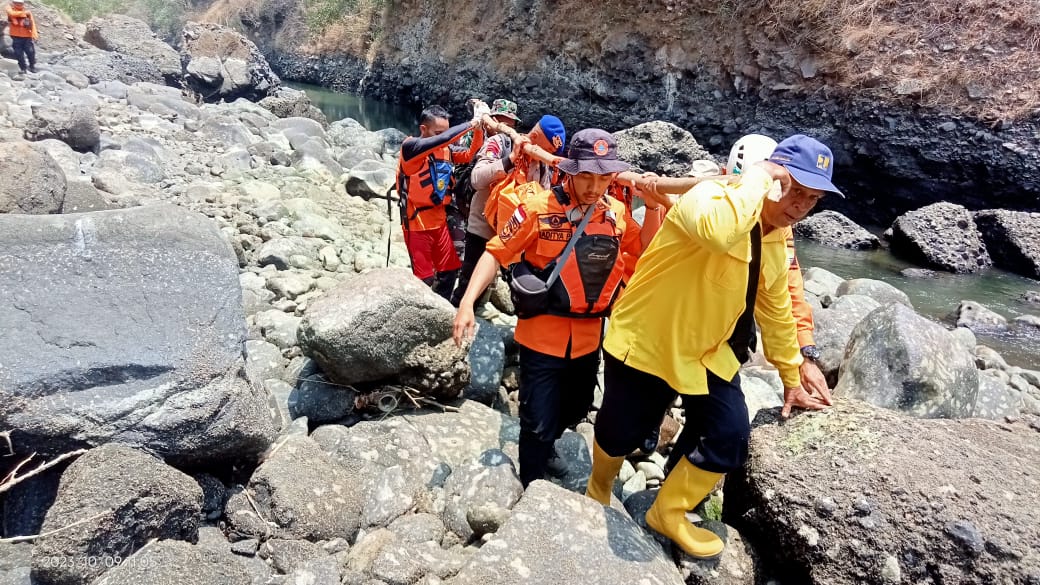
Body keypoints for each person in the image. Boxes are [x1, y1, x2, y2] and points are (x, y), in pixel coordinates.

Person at [584, 134, 843, 559]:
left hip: (707, 352)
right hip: (650, 340)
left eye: (812, 199)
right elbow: (721, 234)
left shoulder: (778, 237)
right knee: (620, 431)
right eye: (795, 190)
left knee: (729, 435)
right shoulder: (708, 197)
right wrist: (759, 175)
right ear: (772, 178)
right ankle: (599, 487)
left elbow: (777, 309)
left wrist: (791, 374)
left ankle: (668, 510)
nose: (800, 205)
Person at [453, 129, 642, 487]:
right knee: (535, 421)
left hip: (588, 338)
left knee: (578, 406)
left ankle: (550, 442)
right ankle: (531, 485)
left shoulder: (615, 215)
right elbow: (496, 252)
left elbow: (643, 250)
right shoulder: (537, 209)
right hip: (541, 337)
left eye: (604, 177)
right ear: (570, 170)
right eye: (586, 175)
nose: (594, 186)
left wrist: (659, 203)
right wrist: (466, 302)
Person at [449, 113, 567, 307]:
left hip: (515, 235)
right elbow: (477, 179)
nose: (544, 155)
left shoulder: (543, 166)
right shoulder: (500, 143)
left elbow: (542, 196)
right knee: (469, 282)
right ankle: (455, 316)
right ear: (534, 138)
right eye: (545, 150)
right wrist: (511, 159)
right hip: (483, 227)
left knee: (500, 285)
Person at [396, 101, 488, 299]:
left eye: (444, 132)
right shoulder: (411, 148)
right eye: (438, 133)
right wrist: (473, 122)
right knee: (424, 278)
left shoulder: (446, 151)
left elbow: (470, 154)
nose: (444, 138)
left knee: (449, 272)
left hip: (439, 221)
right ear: (423, 128)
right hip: (417, 222)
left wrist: (479, 129)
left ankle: (441, 311)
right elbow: (447, 138)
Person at [5, 0, 37, 75]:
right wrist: (24, 13)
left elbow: (32, 24)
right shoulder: (10, 9)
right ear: (13, 3)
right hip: (15, 36)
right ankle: (23, 68)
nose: (18, 4)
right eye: (16, 2)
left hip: (27, 36)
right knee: (18, 53)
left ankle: (32, 66)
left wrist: (34, 35)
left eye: (20, 3)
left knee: (31, 52)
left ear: (23, 3)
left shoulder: (28, 12)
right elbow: (12, 14)